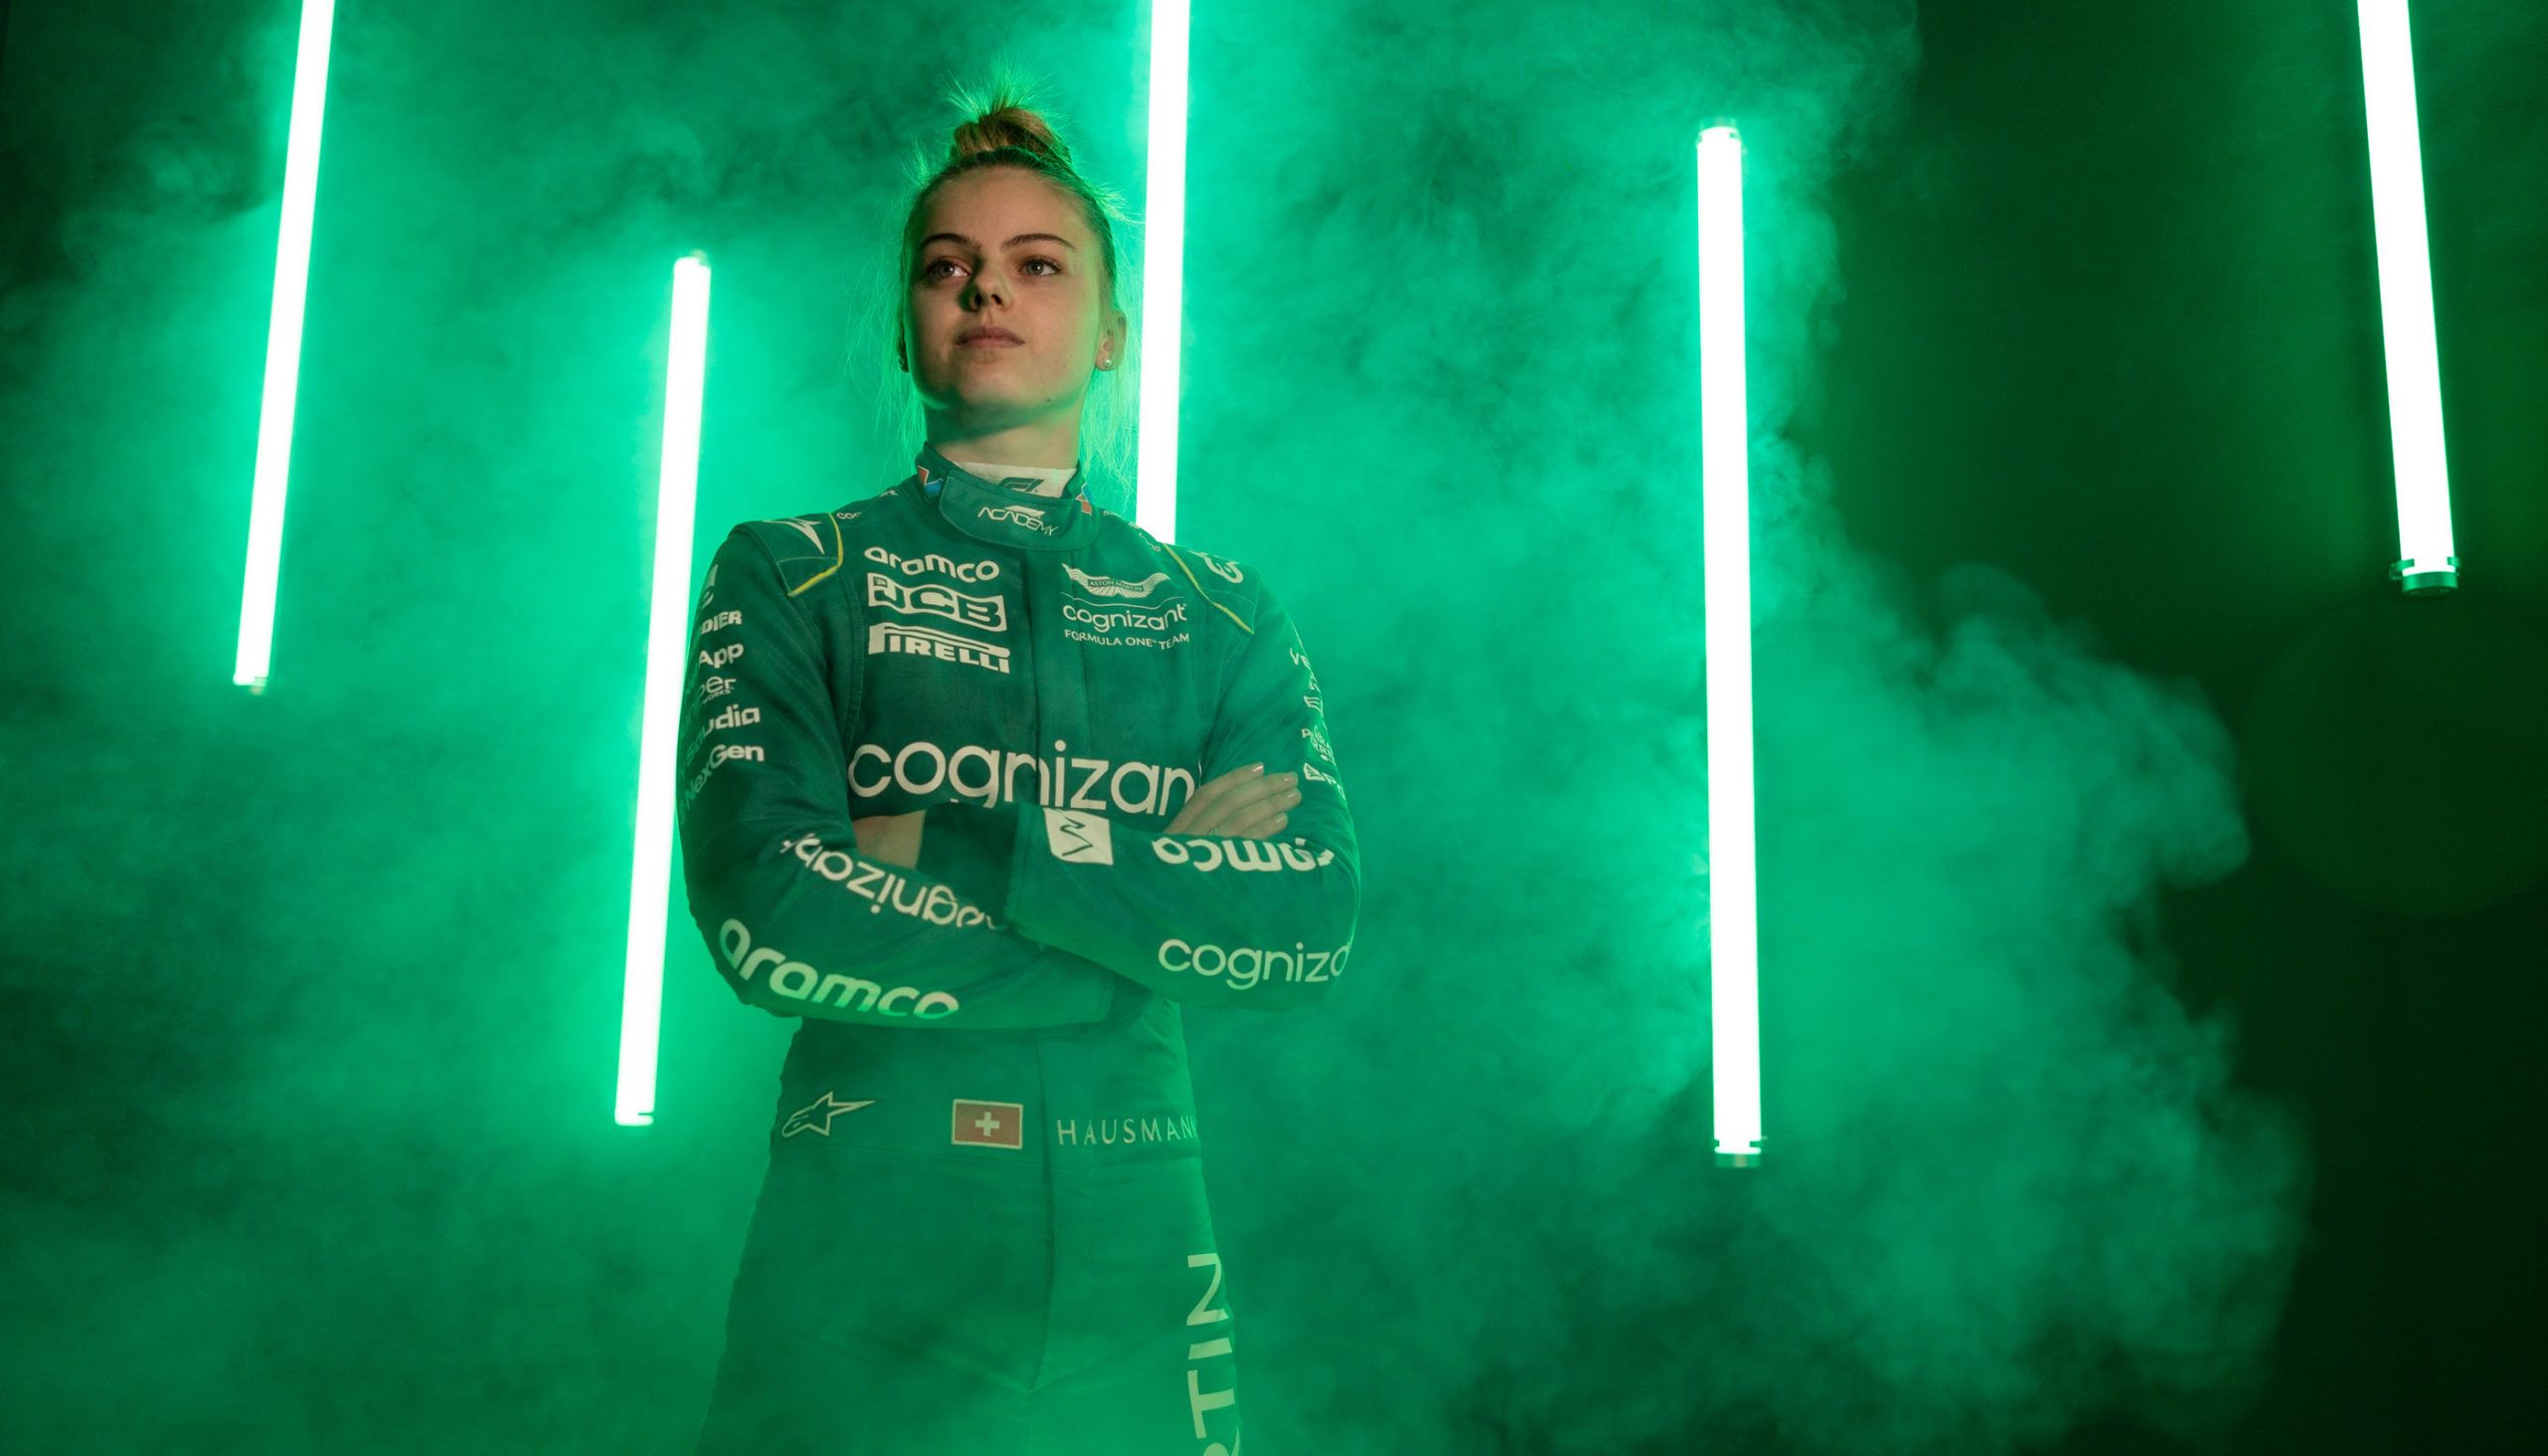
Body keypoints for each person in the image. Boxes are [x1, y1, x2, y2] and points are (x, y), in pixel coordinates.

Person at [680, 74, 1360, 1456]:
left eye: (1038, 265)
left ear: (1110, 334)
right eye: (948, 267)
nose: (987, 288)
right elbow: (767, 910)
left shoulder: (1222, 612)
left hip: (1146, 1251)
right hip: (865, 1233)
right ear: (907, 326)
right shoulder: (791, 572)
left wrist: (952, 840)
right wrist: (1146, 916)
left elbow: (1309, 920)